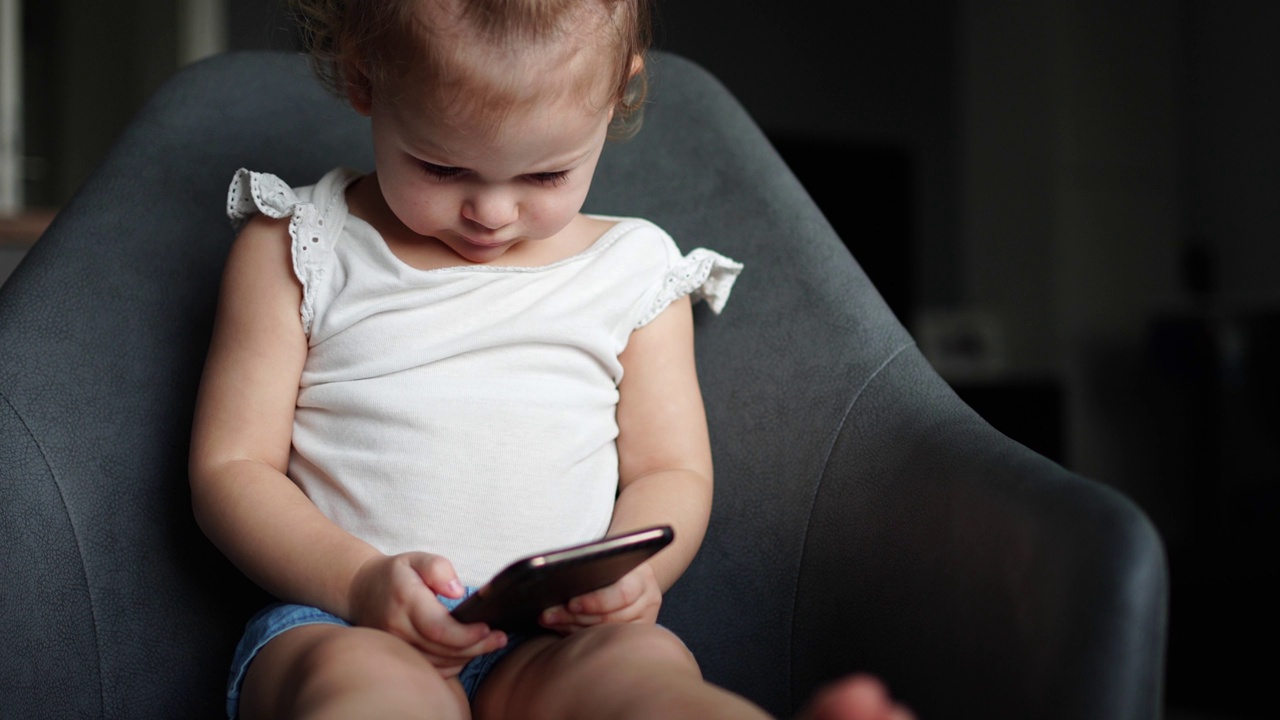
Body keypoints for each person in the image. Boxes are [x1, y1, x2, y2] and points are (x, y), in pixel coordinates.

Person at [189, 1, 913, 718]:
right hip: (348, 620)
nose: (492, 212)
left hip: (553, 635)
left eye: (545, 177)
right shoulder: (303, 244)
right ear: (364, 78)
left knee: (643, 679)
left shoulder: (635, 272)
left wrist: (637, 576)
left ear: (617, 95)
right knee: (358, 690)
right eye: (441, 168)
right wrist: (358, 582)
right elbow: (231, 469)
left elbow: (670, 471)